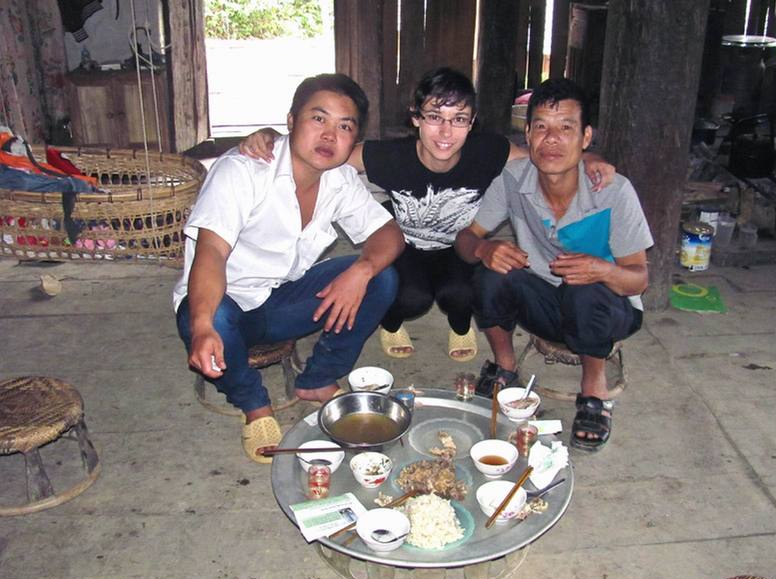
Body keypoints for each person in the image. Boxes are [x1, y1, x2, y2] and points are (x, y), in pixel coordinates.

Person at [240, 67, 616, 363]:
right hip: (406, 246)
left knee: (466, 292)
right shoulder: (390, 156)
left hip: (463, 244)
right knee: (409, 296)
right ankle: (390, 323)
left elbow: (543, 158)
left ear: (472, 123)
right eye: (435, 116)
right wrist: (275, 137)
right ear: (416, 118)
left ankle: (458, 323)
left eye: (458, 119)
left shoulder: (488, 150)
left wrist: (591, 158)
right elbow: (326, 152)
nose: (446, 131)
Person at [174, 74, 404, 463]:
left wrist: (362, 270)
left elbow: (389, 233)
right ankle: (254, 405)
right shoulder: (243, 170)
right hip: (227, 303)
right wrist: (200, 325)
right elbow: (210, 251)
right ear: (291, 121)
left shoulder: (340, 179)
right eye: (319, 119)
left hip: (284, 300)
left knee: (382, 276)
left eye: (344, 126)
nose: (330, 135)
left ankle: (317, 380)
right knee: (214, 318)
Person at [455, 78, 653, 452]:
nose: (552, 139)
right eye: (542, 127)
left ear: (586, 137)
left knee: (585, 289)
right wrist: (484, 249)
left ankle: (593, 390)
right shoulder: (513, 179)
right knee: (489, 274)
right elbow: (465, 238)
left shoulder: (614, 191)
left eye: (566, 128)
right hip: (546, 301)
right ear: (527, 134)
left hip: (610, 307)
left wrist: (604, 271)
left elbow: (638, 280)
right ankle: (504, 368)